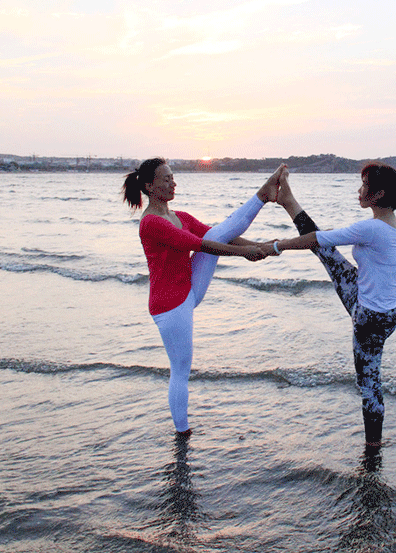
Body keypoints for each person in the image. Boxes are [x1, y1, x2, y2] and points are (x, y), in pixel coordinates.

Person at [122, 158, 286, 437]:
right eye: (166, 179)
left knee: (217, 231)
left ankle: (263, 194)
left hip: (188, 288)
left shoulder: (180, 217)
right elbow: (200, 245)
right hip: (170, 306)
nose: (173, 183)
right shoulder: (151, 223)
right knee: (180, 370)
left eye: (173, 177)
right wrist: (245, 253)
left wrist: (260, 247)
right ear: (149, 186)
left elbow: (220, 236)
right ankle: (182, 433)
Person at [263, 163, 396, 447]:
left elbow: (318, 238)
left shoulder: (372, 228)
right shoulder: (385, 224)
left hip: (371, 319)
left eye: (364, 185)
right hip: (373, 305)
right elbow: (327, 238)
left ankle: (373, 450)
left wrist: (276, 246)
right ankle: (288, 201)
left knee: (368, 386)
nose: (359, 190)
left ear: (379, 194)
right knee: (327, 253)